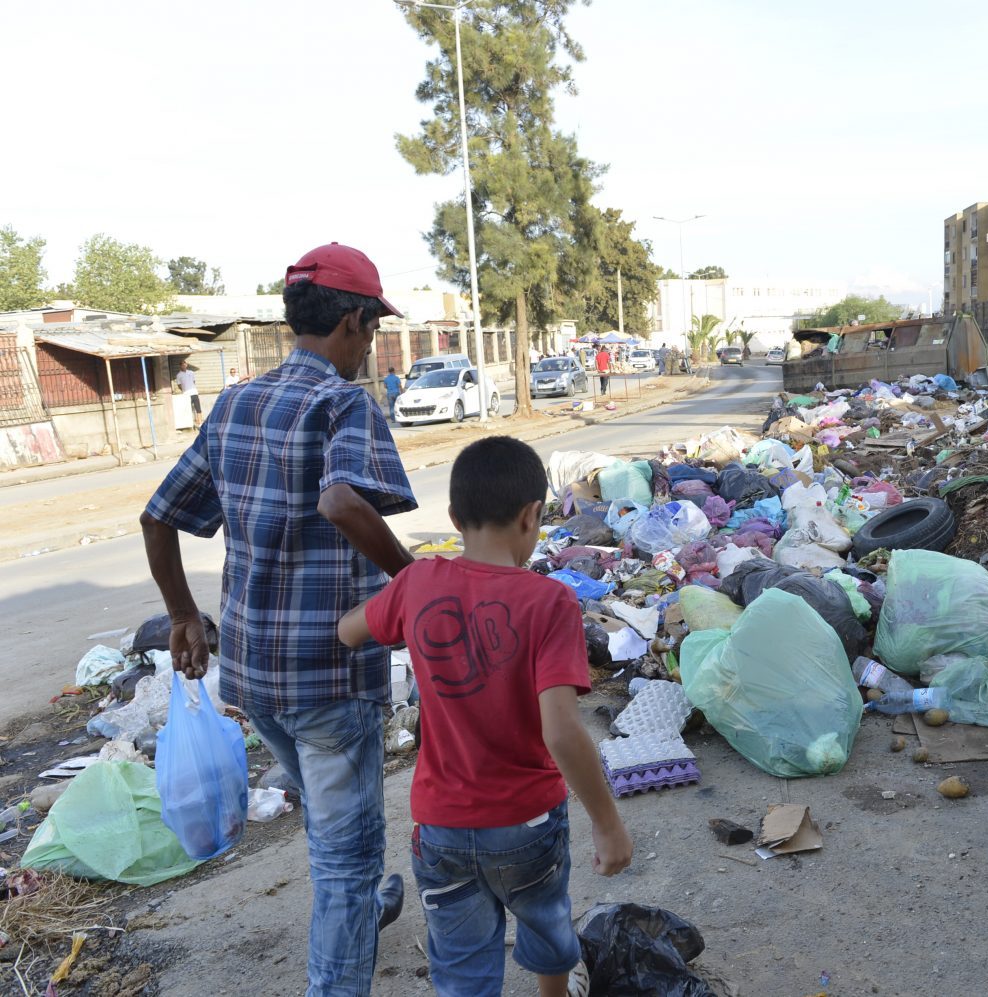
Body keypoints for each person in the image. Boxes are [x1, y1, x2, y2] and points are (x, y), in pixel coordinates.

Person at [140, 243, 415, 996]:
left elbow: (158, 517)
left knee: (335, 832)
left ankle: (363, 908)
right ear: (352, 322)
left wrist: (183, 615)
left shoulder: (235, 402)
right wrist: (416, 583)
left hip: (256, 677)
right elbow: (343, 501)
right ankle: (342, 958)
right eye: (370, 330)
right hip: (328, 678)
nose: (369, 347)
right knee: (346, 858)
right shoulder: (343, 403)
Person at [337, 436, 633, 996]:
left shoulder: (417, 583)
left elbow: (350, 631)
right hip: (525, 825)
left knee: (462, 970)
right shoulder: (550, 602)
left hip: (441, 827)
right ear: (532, 517)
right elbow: (562, 729)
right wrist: (607, 822)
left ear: (453, 517)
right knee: (546, 921)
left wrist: (401, 598)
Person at [175, 359, 202, 427]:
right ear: (180, 366)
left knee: (198, 408)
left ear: (186, 365)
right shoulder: (179, 375)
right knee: (188, 409)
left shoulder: (191, 372)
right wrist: (184, 390)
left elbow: (193, 381)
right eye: (182, 365)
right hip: (186, 394)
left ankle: (200, 423)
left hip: (194, 392)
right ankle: (191, 423)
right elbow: (179, 385)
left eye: (185, 364)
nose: (183, 365)